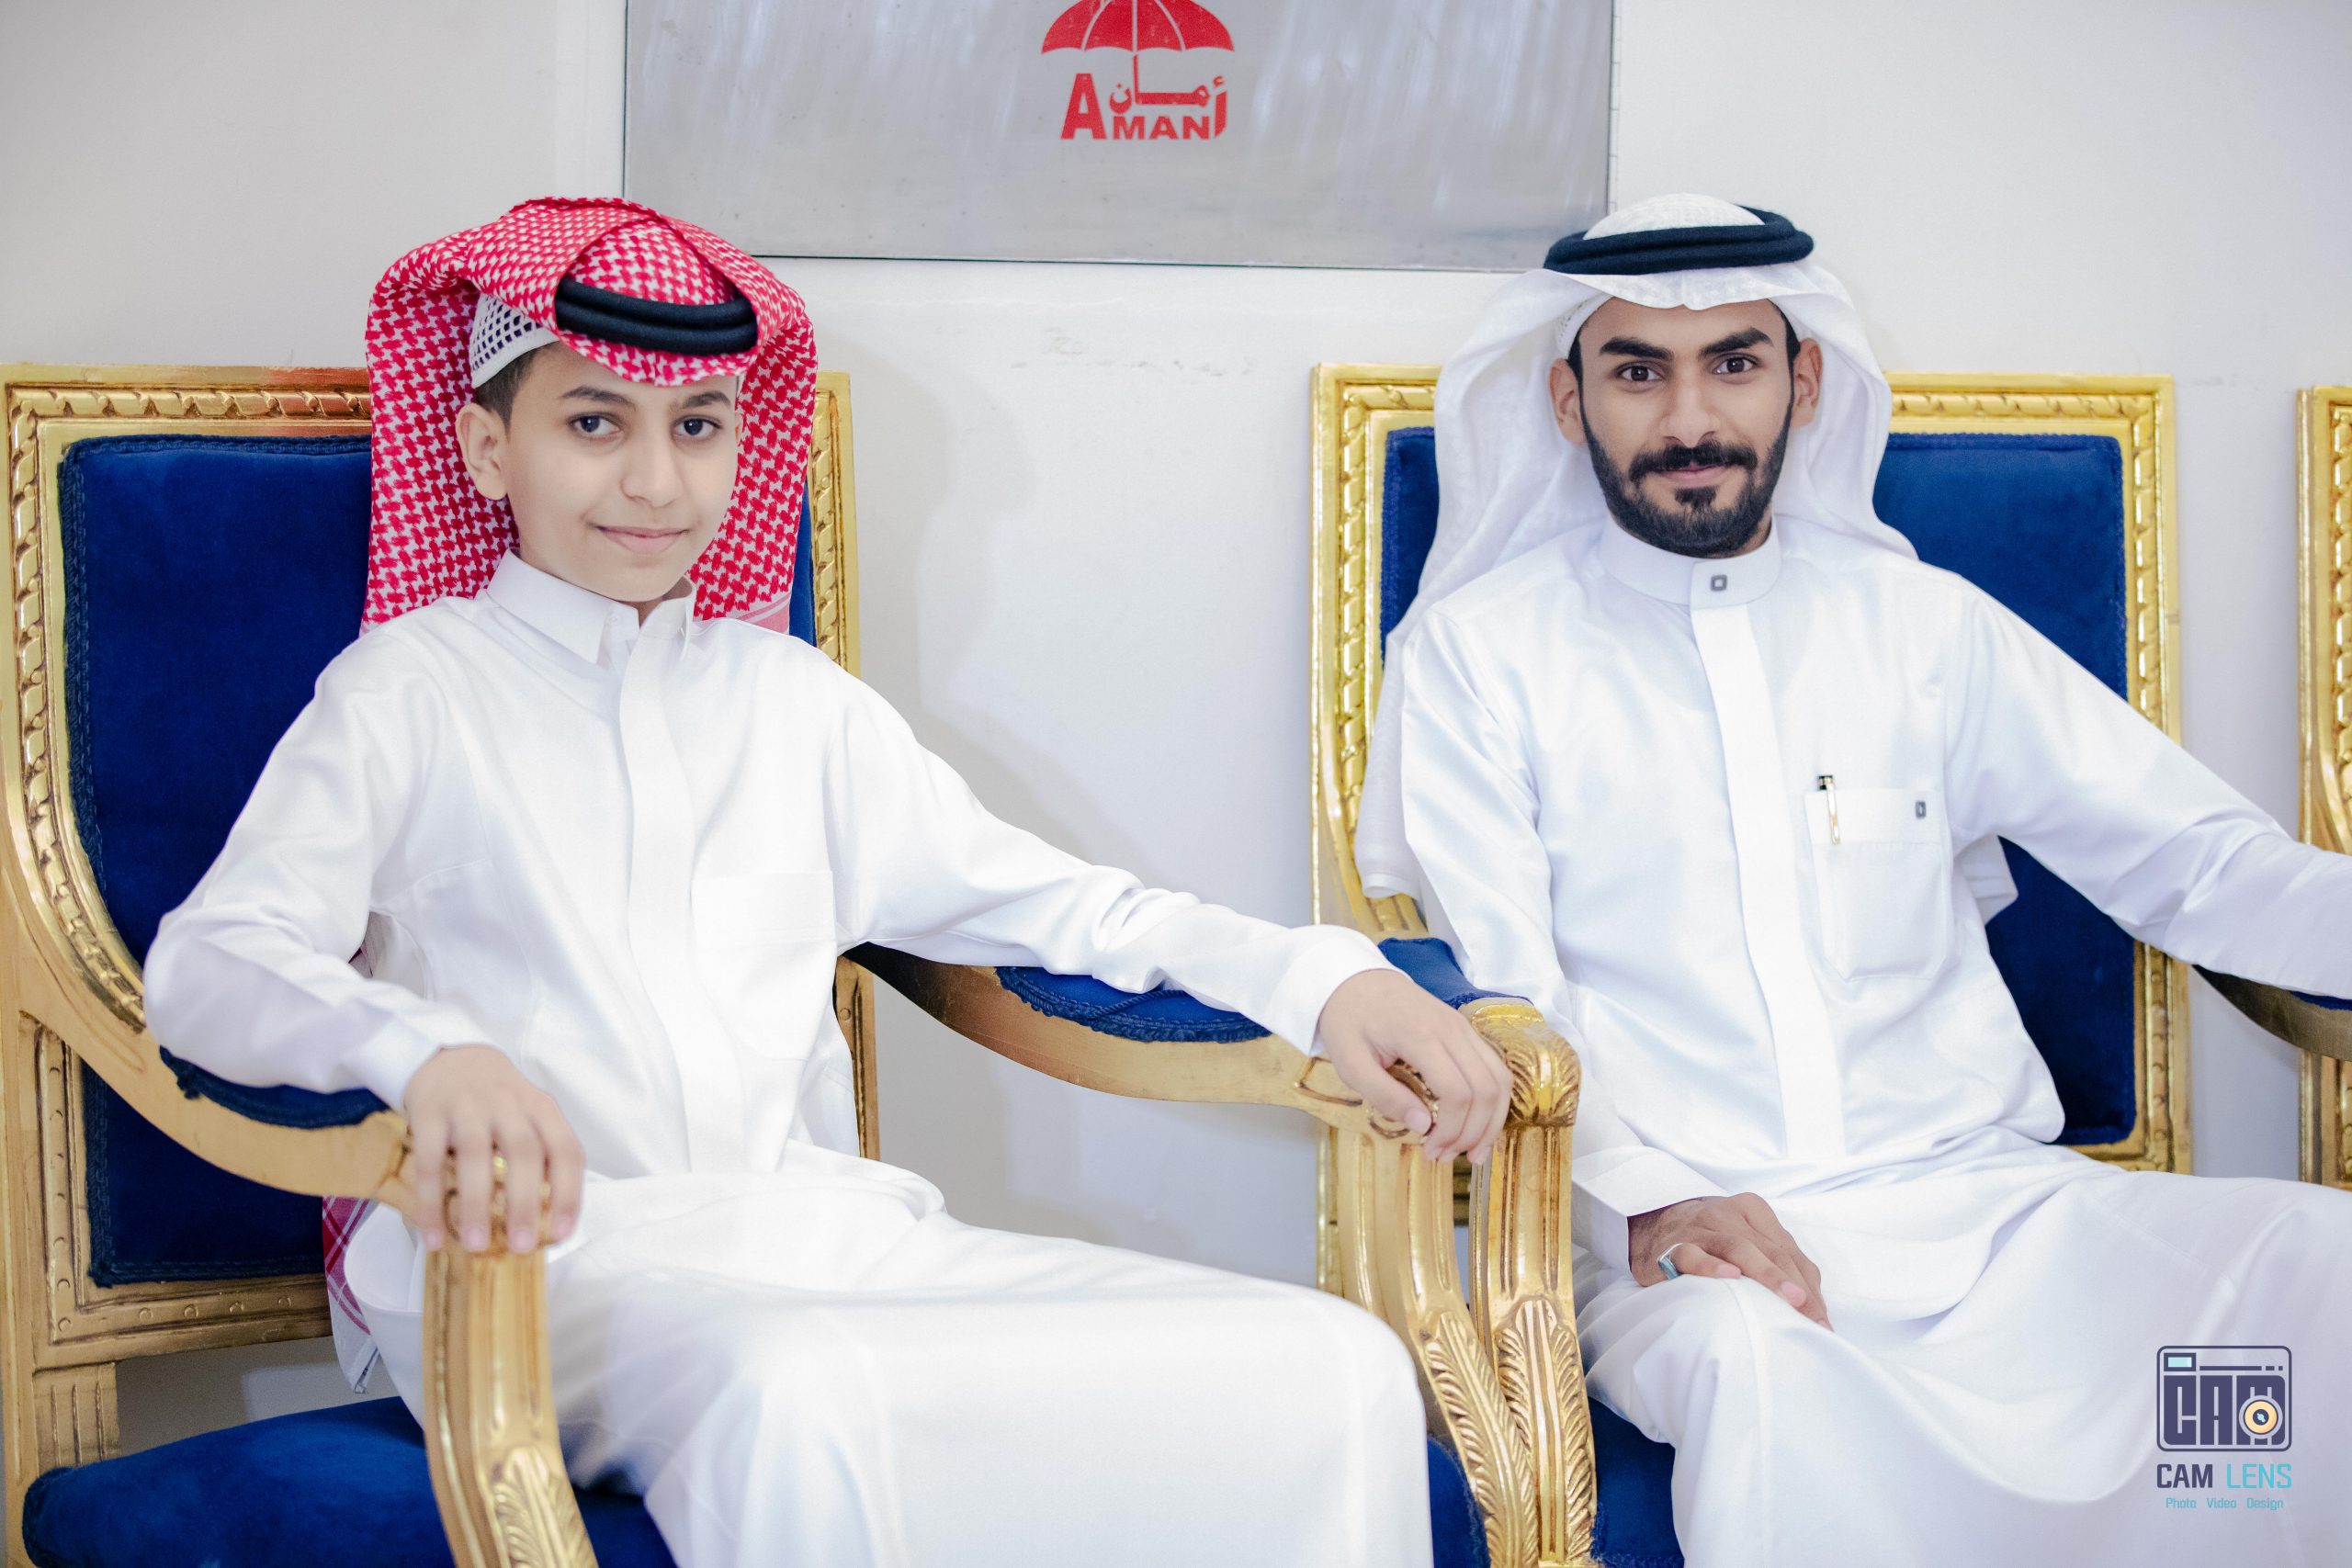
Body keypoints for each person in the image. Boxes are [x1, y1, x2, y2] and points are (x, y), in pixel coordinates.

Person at [143, 197, 1511, 1568]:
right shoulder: (412, 690)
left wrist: (1324, 978)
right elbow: (214, 961)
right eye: (595, 422)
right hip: (539, 1268)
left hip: (822, 1236)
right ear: (488, 449)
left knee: (1324, 1363)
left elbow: (1064, 910)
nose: (654, 482)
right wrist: (423, 1053)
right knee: (800, 1393)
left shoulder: (793, 703)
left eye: (697, 426)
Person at [1356, 191, 2352, 1565]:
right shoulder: (1480, 656)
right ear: (1569, 401)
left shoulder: (1924, 629)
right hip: (1686, 1244)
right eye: (1638, 371)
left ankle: (2215, 1532)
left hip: (1995, 1222)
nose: (1690, 419)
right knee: (1757, 1368)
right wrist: (1651, 1195)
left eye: (1734, 363)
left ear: (1805, 381)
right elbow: (1509, 984)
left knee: (2310, 1272)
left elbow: (2194, 862)